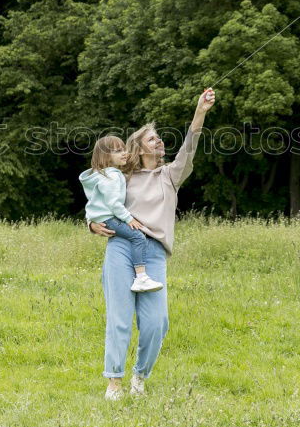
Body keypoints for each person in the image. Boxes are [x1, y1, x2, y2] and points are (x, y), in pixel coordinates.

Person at [89, 88, 216, 400]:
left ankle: (139, 377)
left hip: (154, 252)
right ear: (139, 148)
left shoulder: (170, 175)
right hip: (121, 247)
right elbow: (96, 202)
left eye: (160, 139)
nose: (159, 142)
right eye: (152, 139)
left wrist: (200, 111)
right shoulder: (121, 177)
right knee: (119, 318)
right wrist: (92, 224)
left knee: (156, 323)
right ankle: (114, 383)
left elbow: (190, 146)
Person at [78, 136, 163, 293]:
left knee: (135, 237)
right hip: (109, 219)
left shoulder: (103, 175)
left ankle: (140, 277)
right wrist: (129, 219)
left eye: (124, 149)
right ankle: (141, 278)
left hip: (103, 218)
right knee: (138, 237)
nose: (124, 153)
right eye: (118, 151)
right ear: (105, 156)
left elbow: (95, 202)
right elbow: (114, 203)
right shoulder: (113, 176)